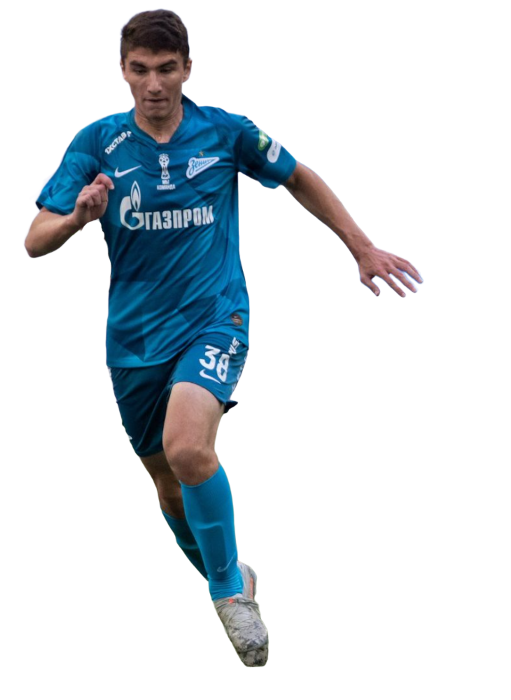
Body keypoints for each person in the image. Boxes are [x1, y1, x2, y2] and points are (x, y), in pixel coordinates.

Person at [24, 9, 423, 667]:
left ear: (188, 68)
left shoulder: (226, 131)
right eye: (140, 70)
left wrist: (361, 247)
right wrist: (77, 218)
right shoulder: (96, 142)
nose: (154, 84)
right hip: (132, 340)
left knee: (189, 449)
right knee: (166, 483)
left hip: (216, 320)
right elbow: (34, 241)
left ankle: (229, 593)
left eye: (167, 69)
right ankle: (227, 570)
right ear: (122, 71)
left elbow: (298, 175)